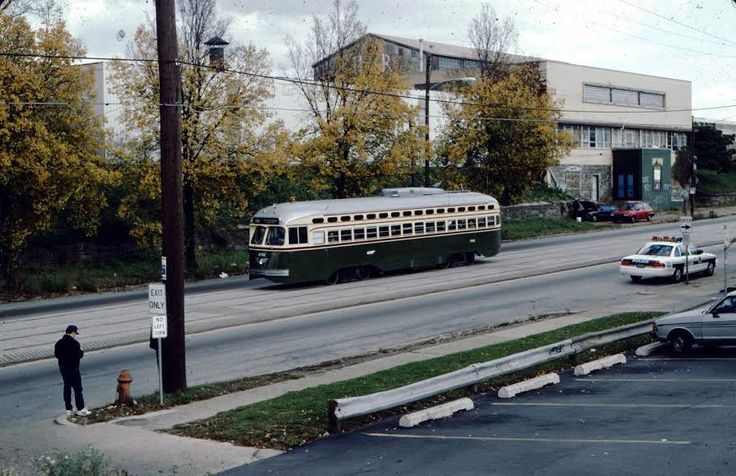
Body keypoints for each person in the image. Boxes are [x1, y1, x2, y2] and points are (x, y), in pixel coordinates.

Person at [54, 325, 90, 416]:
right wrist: (81, 350)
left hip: (63, 368)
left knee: (67, 387)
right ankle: (80, 408)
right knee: (77, 388)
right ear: (73, 332)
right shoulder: (75, 344)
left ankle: (68, 409)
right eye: (75, 334)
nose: (75, 335)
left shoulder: (58, 343)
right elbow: (79, 355)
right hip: (73, 368)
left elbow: (57, 355)